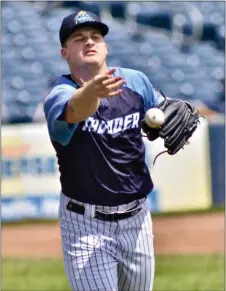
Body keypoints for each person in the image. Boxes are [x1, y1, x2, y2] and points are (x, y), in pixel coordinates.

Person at [44, 10, 199, 291]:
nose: (89, 42)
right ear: (65, 52)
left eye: (95, 37)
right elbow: (78, 109)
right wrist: (93, 91)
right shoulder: (60, 94)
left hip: (137, 219)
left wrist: (181, 111)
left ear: (106, 47)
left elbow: (164, 110)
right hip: (85, 224)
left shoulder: (135, 81)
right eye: (79, 39)